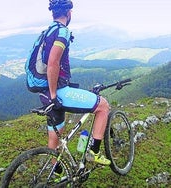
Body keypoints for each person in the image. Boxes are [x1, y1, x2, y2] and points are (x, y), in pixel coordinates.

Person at [38, 0, 111, 167]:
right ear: (69, 13)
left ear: (53, 13)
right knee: (103, 106)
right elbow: (53, 63)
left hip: (44, 93)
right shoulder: (62, 32)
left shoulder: (47, 31)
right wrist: (55, 94)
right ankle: (94, 153)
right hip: (57, 91)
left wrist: (51, 95)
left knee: (54, 137)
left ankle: (56, 175)